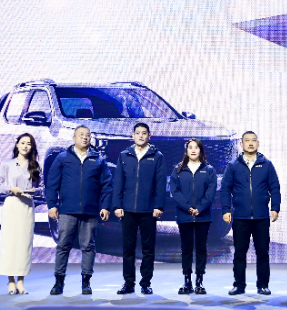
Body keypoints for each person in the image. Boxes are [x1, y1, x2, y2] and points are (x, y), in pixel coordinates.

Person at [46, 125, 113, 295]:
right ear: (74, 138)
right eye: (81, 135)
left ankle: (86, 283)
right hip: (67, 211)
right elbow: (52, 183)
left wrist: (105, 206)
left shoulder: (98, 160)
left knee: (88, 247)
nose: (84, 137)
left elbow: (107, 185)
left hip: (90, 212)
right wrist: (52, 205)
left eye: (87, 135)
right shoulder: (62, 158)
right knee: (63, 246)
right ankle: (58, 282)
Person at [220, 131, 281, 295]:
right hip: (241, 217)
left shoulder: (267, 164)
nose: (251, 143)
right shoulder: (233, 165)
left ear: (258, 143)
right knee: (240, 253)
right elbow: (225, 189)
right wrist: (226, 210)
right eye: (247, 140)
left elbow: (275, 187)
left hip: (261, 217)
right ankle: (239, 285)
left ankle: (263, 285)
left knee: (263, 253)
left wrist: (275, 208)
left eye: (253, 140)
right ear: (241, 144)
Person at [113, 123, 166, 295]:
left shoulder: (157, 157)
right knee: (128, 248)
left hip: (149, 210)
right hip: (127, 210)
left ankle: (146, 283)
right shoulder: (124, 155)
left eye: (144, 133)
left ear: (149, 136)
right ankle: (128, 283)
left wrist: (158, 206)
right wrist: (117, 205)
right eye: (137, 133)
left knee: (148, 249)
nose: (141, 136)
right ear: (133, 136)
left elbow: (160, 184)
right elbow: (118, 182)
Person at [0, 133, 44, 295]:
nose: (25, 146)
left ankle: (21, 281)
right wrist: (10, 189)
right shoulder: (8, 164)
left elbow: (41, 187)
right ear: (17, 145)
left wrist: (35, 191)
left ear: (32, 147)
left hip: (27, 206)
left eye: (29, 144)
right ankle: (11, 281)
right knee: (10, 244)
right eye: (23, 143)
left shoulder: (35, 165)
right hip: (12, 204)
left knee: (24, 244)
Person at [170, 138, 217, 295]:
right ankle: (187, 281)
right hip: (184, 216)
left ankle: (199, 282)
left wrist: (200, 208)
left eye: (196, 147)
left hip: (203, 217)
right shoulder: (178, 170)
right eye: (190, 147)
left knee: (201, 249)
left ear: (201, 150)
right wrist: (188, 208)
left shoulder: (209, 170)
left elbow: (211, 192)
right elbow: (175, 191)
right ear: (186, 150)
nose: (193, 150)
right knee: (186, 249)